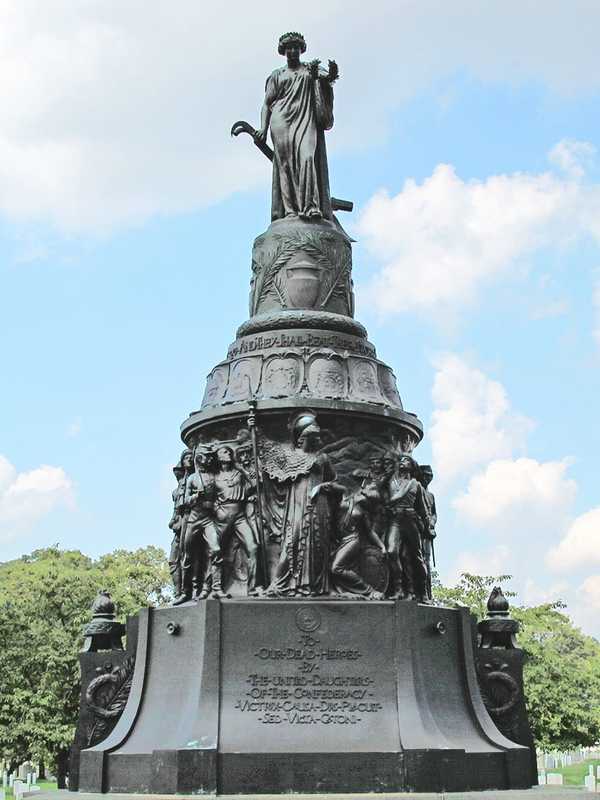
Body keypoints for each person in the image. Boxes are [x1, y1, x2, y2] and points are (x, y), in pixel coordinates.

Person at [257, 32, 338, 221]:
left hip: (305, 120)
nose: (292, 51)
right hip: (281, 122)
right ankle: (290, 210)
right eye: (288, 48)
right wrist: (263, 128)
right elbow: (267, 104)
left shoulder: (310, 70)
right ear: (283, 51)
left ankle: (311, 207)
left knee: (307, 158)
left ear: (301, 50)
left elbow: (327, 80)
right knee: (284, 165)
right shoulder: (277, 75)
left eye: (295, 47)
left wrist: (332, 74)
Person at [266, 412, 343, 596]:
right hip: (297, 504)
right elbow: (275, 477)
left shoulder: (322, 458)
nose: (316, 440)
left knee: (318, 543)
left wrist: (324, 487)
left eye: (316, 436)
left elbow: (335, 481)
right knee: (293, 540)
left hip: (319, 504)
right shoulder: (290, 457)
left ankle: (313, 586)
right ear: (300, 439)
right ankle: (285, 584)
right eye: (311, 437)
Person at [208, 446, 262, 598]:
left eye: (229, 451)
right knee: (216, 550)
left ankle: (252, 588)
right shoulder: (214, 476)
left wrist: (242, 468)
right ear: (218, 458)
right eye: (224, 452)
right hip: (223, 515)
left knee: (253, 548)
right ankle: (215, 588)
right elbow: (208, 498)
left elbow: (254, 484)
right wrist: (217, 509)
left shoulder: (238, 473)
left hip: (239, 515)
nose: (228, 454)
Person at [331, 470, 386, 599]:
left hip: (352, 540)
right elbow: (335, 487)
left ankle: (369, 591)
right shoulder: (346, 495)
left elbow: (369, 532)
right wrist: (323, 486)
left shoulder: (362, 512)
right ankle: (342, 590)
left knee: (336, 568)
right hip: (338, 540)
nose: (368, 498)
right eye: (367, 495)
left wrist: (382, 546)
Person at [173, 448, 217, 605]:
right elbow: (184, 500)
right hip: (193, 519)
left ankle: (206, 588)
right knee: (188, 556)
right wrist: (195, 497)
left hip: (207, 519)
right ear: (200, 459)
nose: (210, 460)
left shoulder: (213, 477)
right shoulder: (192, 478)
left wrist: (212, 504)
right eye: (207, 458)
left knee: (213, 551)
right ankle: (186, 592)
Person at [384, 454, 430, 602]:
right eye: (402, 460)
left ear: (412, 466)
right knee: (392, 551)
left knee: (416, 557)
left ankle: (422, 592)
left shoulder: (415, 485)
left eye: (407, 460)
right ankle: (398, 590)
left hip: (410, 520)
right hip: (395, 520)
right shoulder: (391, 481)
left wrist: (428, 527)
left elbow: (423, 509)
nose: (403, 462)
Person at [168, 449, 194, 600]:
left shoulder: (197, 479)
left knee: (188, 558)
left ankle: (187, 592)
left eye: (191, 457)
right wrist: (173, 520)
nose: (189, 460)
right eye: (186, 458)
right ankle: (177, 593)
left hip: (192, 521)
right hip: (179, 526)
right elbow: (176, 509)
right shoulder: (177, 490)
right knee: (173, 560)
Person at [418, 464, 437, 601]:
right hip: (416, 529)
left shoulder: (430, 496)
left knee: (426, 561)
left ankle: (427, 592)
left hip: (427, 533)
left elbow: (434, 514)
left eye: (429, 476)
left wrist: (432, 523)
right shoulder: (416, 489)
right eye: (425, 476)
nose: (427, 478)